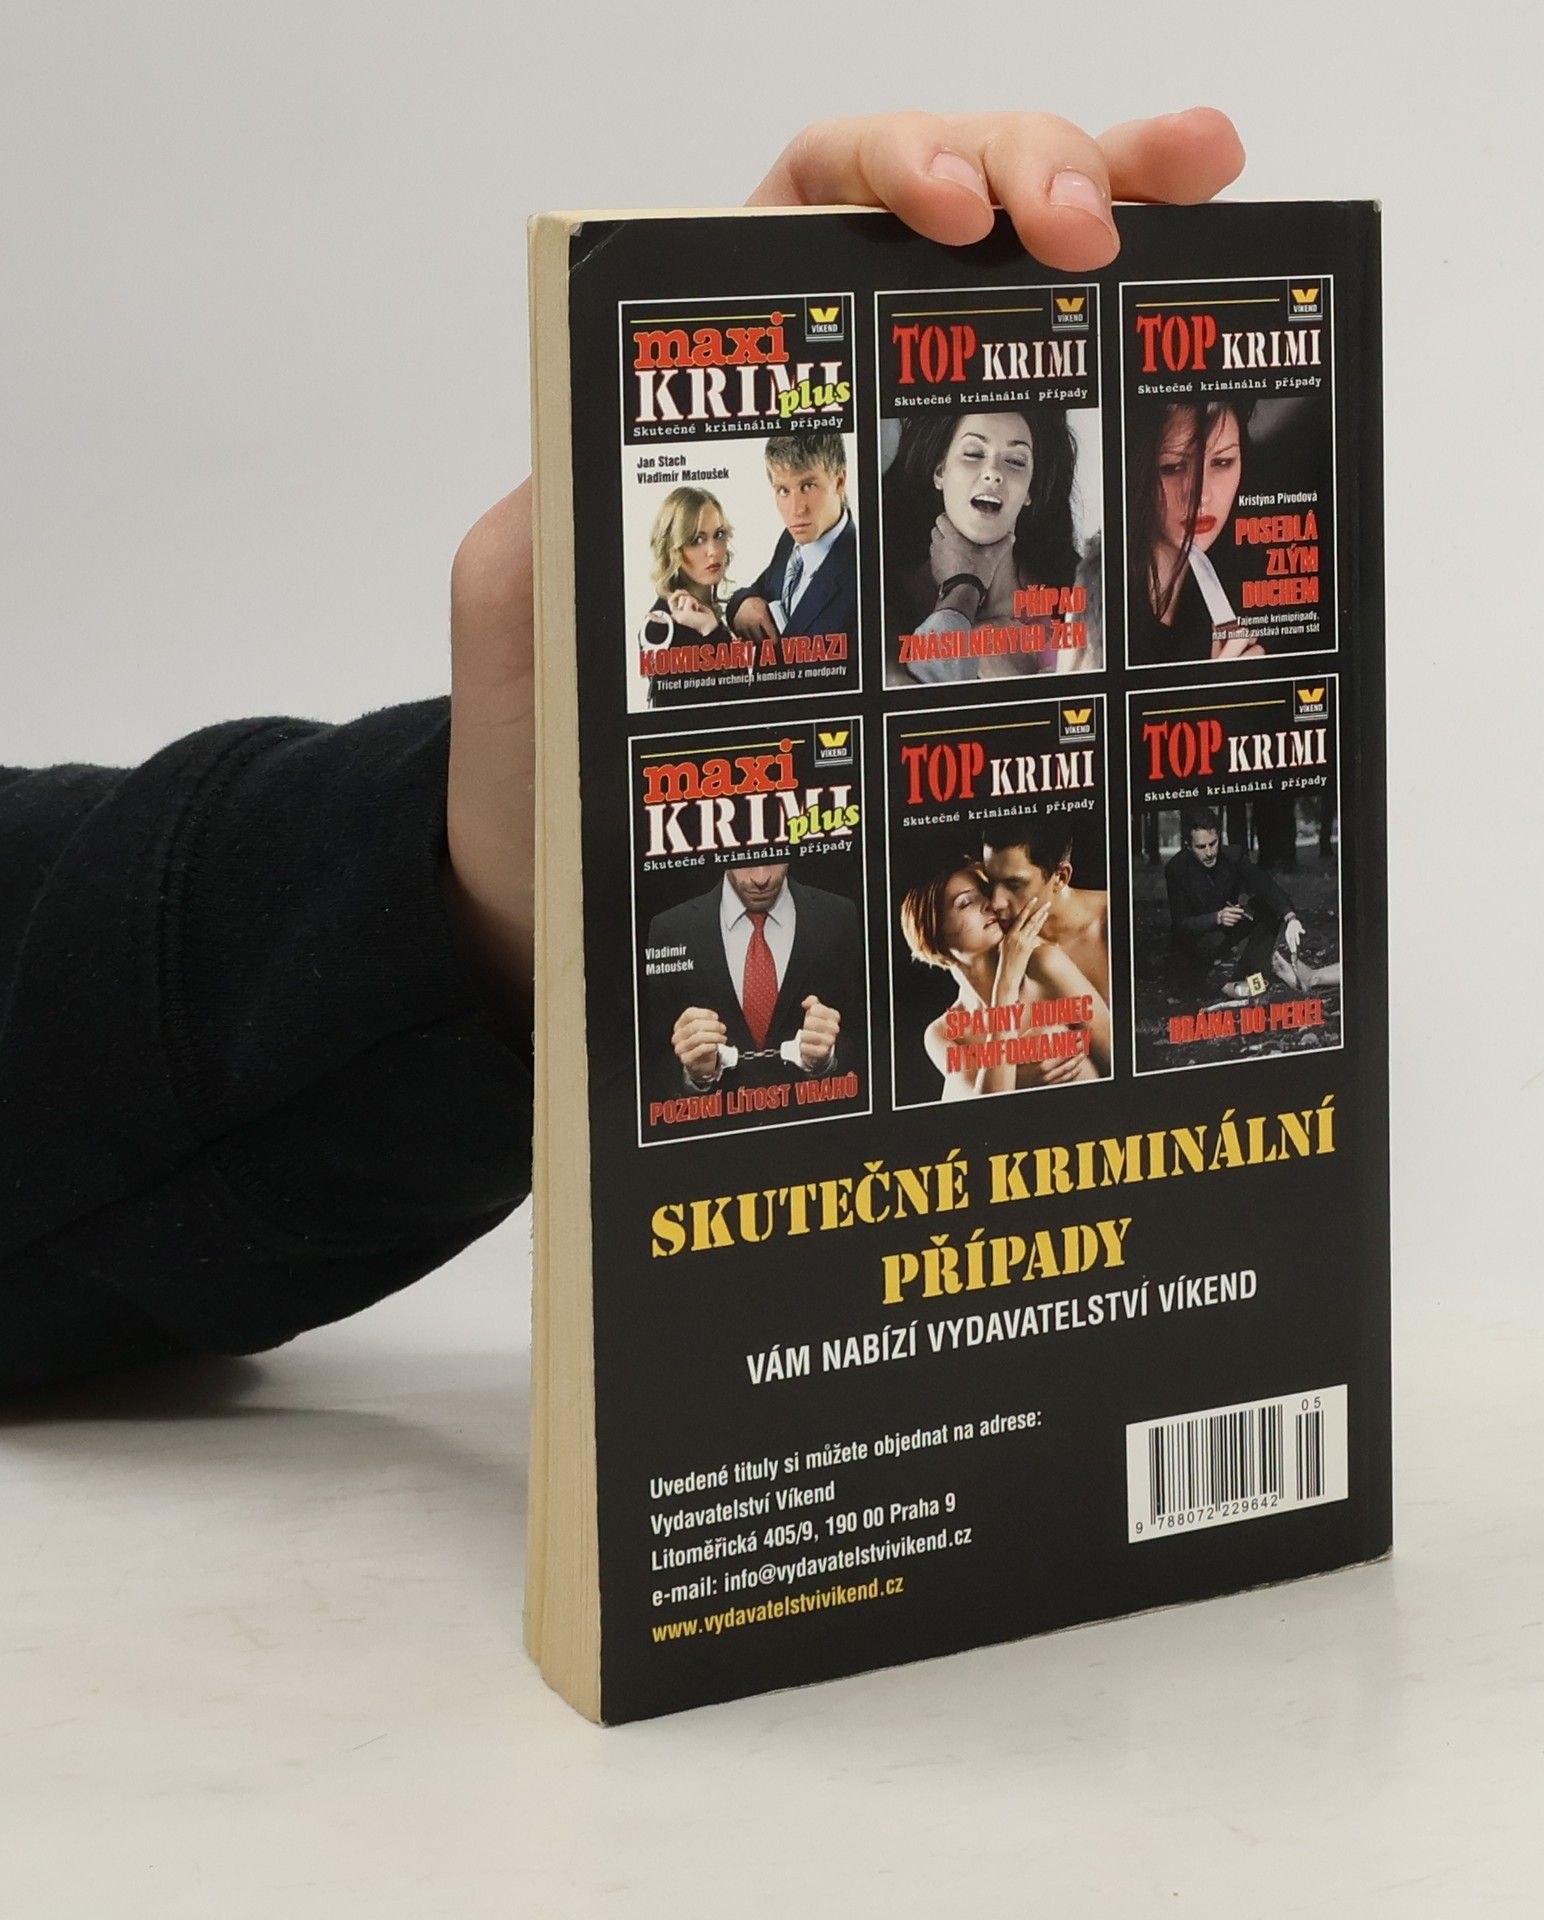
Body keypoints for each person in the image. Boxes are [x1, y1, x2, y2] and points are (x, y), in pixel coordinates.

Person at [0, 106, 1247, 1399]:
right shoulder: (846, 629)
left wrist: (480, 894)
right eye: (972, 449)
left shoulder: (1070, 614)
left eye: (1019, 456)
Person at [885, 405, 1086, 681]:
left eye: (1015, 461)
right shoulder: (887, 602)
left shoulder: (1072, 598)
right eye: (974, 453)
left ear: (1030, 489)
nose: (993, 472)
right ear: (940, 472)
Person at [643, 861, 862, 1102]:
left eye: (772, 858)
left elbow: (870, 1038)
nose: (761, 879)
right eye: (744, 861)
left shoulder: (838, 917)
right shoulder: (670, 930)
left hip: (817, 1116)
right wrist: (694, 1074)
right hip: (715, 1119)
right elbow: (650, 1061)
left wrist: (828, 1059)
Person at [899, 860, 1110, 1099]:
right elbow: (988, 1108)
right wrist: (1006, 986)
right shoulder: (943, 1034)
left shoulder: (1045, 965)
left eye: (986, 893)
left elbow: (1119, 1058)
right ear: (933, 931)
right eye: (966, 903)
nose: (990, 904)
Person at [1128, 397, 1264, 665]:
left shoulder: (1252, 592)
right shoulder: (1101, 605)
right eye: (1172, 467)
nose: (1201, 496)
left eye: (1222, 462)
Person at [1159, 806, 1338, 1001]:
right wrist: (1216, 917)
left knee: (1268, 908)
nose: (1209, 853)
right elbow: (1181, 924)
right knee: (1199, 973)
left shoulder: (1232, 856)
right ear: (1188, 846)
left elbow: (1265, 885)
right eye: (1201, 847)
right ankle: (1221, 983)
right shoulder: (1177, 869)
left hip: (1229, 928)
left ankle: (1253, 975)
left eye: (1213, 843)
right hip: (1198, 940)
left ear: (1219, 837)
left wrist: (1290, 917)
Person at [726, 427, 858, 645]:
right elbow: (760, 589)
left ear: (839, 482)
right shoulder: (790, 541)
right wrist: (743, 603)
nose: (796, 510)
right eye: (783, 491)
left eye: (808, 486)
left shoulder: (863, 571)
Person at [979, 814, 1111, 1004]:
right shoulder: (991, 938)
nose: (995, 903)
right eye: (990, 882)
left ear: (1061, 877)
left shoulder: (1114, 921)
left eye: (1014, 884)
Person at [637, 487, 742, 707]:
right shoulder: (661, 626)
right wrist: (712, 633)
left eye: (719, 535)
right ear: (673, 549)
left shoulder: (709, 613)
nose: (713, 551)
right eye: (697, 540)